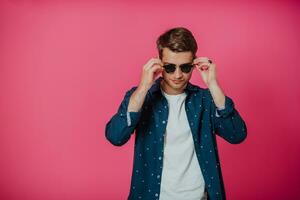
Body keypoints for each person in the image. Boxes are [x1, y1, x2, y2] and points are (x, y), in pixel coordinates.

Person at [105, 27, 247, 200]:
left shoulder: (206, 100)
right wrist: (143, 87)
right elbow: (115, 136)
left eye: (185, 67)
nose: (178, 75)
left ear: (194, 64)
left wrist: (213, 84)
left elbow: (237, 135)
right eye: (170, 67)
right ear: (159, 63)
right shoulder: (141, 97)